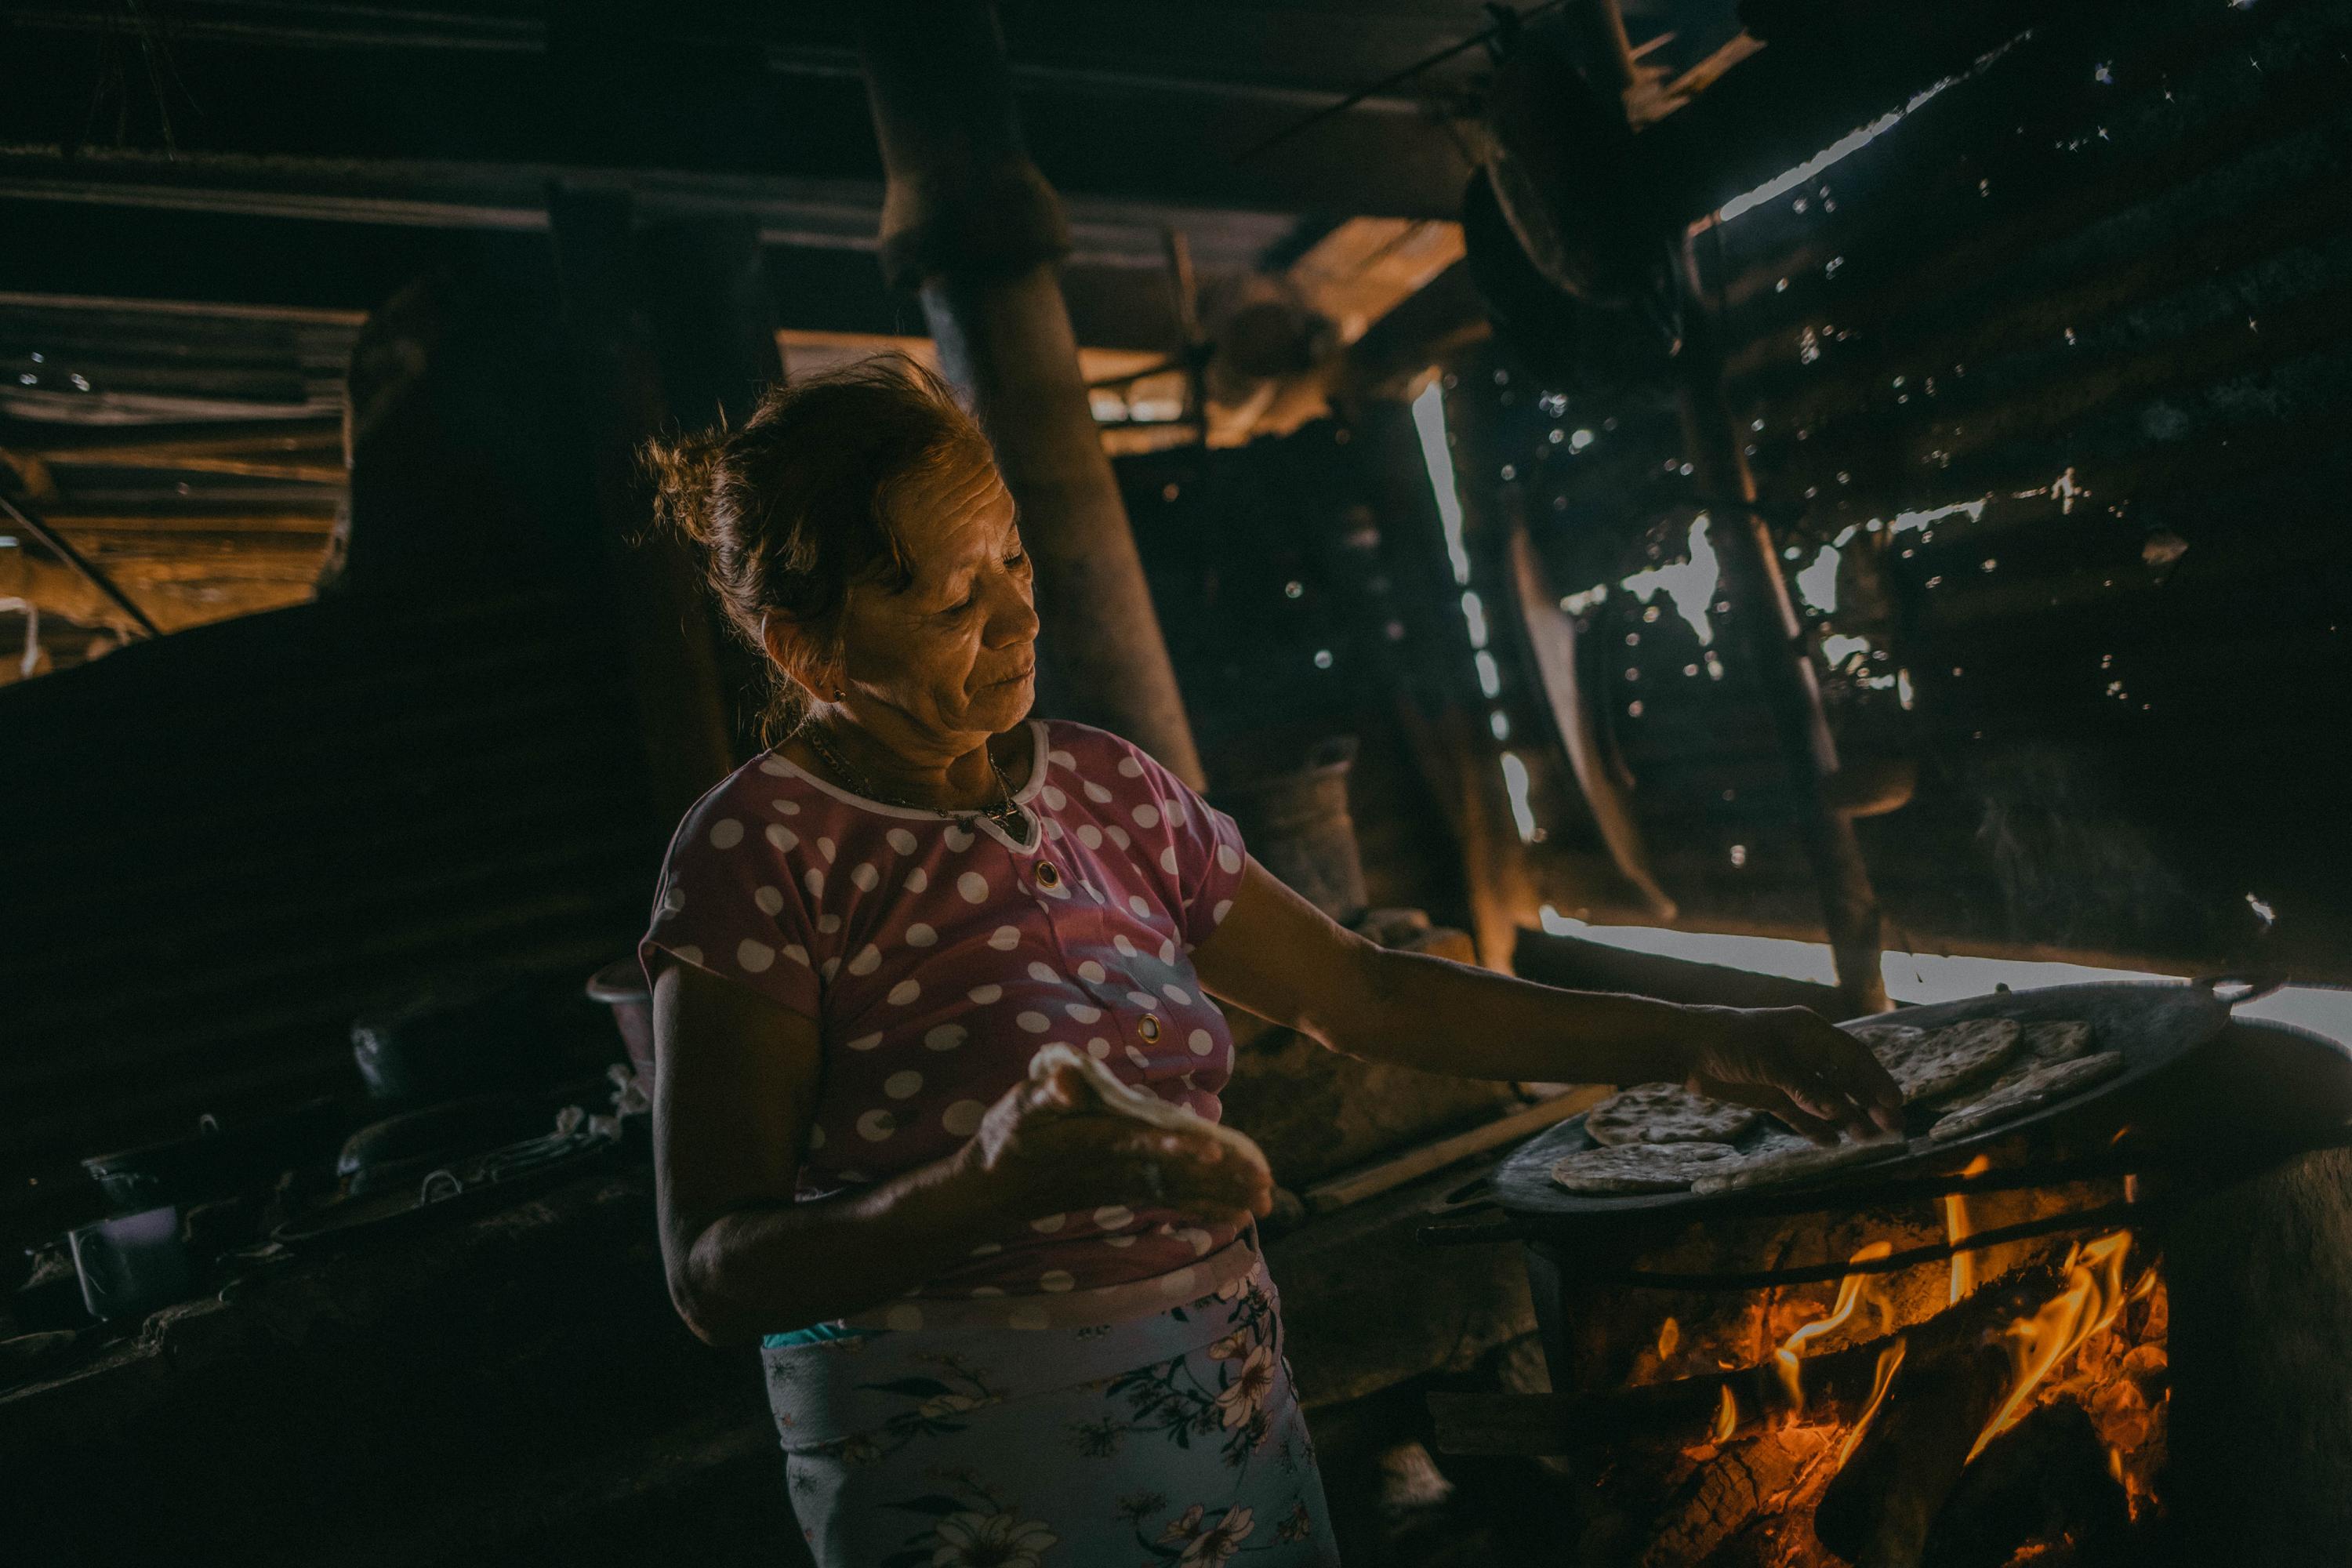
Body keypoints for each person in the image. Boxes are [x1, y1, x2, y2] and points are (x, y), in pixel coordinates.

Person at [637, 357, 1902, 1565]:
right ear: (812, 653)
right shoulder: (760, 854)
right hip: (969, 1482)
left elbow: (1368, 992)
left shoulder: (1108, 786)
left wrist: (1695, 1037)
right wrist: (984, 1187)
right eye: (954, 601)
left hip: (1226, 1423)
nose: (1022, 613)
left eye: (1012, 555)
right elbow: (712, 1273)